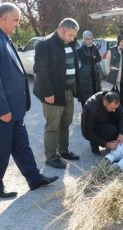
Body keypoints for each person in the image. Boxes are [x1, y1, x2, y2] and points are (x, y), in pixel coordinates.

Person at [0, 3, 58, 198]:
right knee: (0, 148)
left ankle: (34, 178)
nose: (17, 25)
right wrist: (2, 108)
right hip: (2, 108)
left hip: (14, 107)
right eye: (16, 20)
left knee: (22, 144)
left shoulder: (2, 36)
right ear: (4, 18)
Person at [33, 18, 80, 169]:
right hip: (52, 93)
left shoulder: (70, 43)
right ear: (61, 30)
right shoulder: (44, 44)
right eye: (70, 35)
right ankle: (51, 158)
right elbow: (40, 70)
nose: (73, 38)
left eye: (74, 35)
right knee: (52, 127)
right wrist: (47, 92)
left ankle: (64, 151)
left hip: (68, 92)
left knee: (65, 124)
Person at [81, 91, 123, 155]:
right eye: (112, 108)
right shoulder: (91, 107)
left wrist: (121, 133)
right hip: (95, 127)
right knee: (111, 130)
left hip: (107, 121)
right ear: (104, 103)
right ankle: (95, 143)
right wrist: (106, 144)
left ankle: (112, 140)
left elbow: (122, 116)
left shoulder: (113, 99)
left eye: (115, 108)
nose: (114, 110)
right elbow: (88, 133)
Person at [105, 32, 123, 108]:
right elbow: (107, 63)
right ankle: (113, 114)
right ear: (118, 41)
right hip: (114, 80)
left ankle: (120, 114)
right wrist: (109, 73)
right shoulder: (112, 50)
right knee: (113, 99)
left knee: (122, 99)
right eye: (122, 42)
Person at [77, 30, 102, 107]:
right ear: (84, 39)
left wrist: (90, 59)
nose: (90, 40)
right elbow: (83, 59)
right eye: (88, 39)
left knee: (96, 97)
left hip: (94, 73)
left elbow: (99, 58)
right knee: (86, 100)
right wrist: (91, 59)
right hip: (84, 75)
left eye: (91, 38)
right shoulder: (80, 49)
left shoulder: (95, 47)